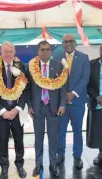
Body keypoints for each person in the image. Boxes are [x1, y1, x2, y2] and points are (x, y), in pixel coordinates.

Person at [27, 41, 67, 177]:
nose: (45, 52)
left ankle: (53, 164)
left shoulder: (58, 66)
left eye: (48, 49)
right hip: (37, 108)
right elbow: (28, 89)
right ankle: (38, 164)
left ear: (51, 51)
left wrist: (62, 104)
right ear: (38, 51)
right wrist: (30, 106)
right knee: (38, 138)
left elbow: (63, 87)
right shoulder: (31, 67)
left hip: (53, 108)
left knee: (53, 138)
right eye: (42, 49)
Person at [0, 41, 29, 179]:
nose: (8, 54)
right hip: (1, 113)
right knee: (3, 141)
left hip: (17, 111)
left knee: (19, 140)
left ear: (14, 52)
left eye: (10, 51)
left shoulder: (21, 66)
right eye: (5, 51)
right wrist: (2, 111)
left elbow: (25, 90)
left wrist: (17, 109)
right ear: (1, 52)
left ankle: (20, 165)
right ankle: (4, 168)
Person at [56, 34, 90, 169]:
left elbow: (85, 78)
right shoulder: (57, 57)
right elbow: (55, 79)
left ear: (75, 43)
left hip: (78, 102)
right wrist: (64, 96)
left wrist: (73, 93)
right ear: (62, 44)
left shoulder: (83, 58)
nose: (68, 43)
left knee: (77, 131)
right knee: (61, 131)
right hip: (61, 103)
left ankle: (77, 156)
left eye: (71, 41)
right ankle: (60, 154)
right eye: (65, 41)